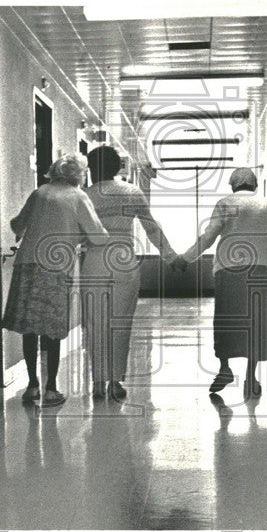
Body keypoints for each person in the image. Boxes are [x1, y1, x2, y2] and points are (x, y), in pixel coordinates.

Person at [174, 167, 267, 398]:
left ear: (233, 185)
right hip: (261, 270)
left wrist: (185, 258)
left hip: (229, 270)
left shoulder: (225, 203)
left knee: (227, 320)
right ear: (255, 185)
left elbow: (208, 237)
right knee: (258, 323)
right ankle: (251, 376)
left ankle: (225, 368)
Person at [3, 153, 109, 407]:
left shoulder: (40, 192)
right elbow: (98, 235)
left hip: (27, 265)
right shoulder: (78, 196)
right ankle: (51, 389)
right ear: (79, 175)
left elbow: (17, 224)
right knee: (52, 329)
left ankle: (31, 386)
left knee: (30, 329)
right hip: (55, 267)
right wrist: (81, 238)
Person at [80, 145, 178, 400]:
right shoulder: (131, 192)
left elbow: (75, 234)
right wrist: (170, 256)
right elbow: (151, 228)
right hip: (123, 260)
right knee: (121, 323)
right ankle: (115, 382)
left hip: (93, 261)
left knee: (95, 323)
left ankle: (98, 382)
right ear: (117, 168)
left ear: (91, 169)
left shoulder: (83, 196)